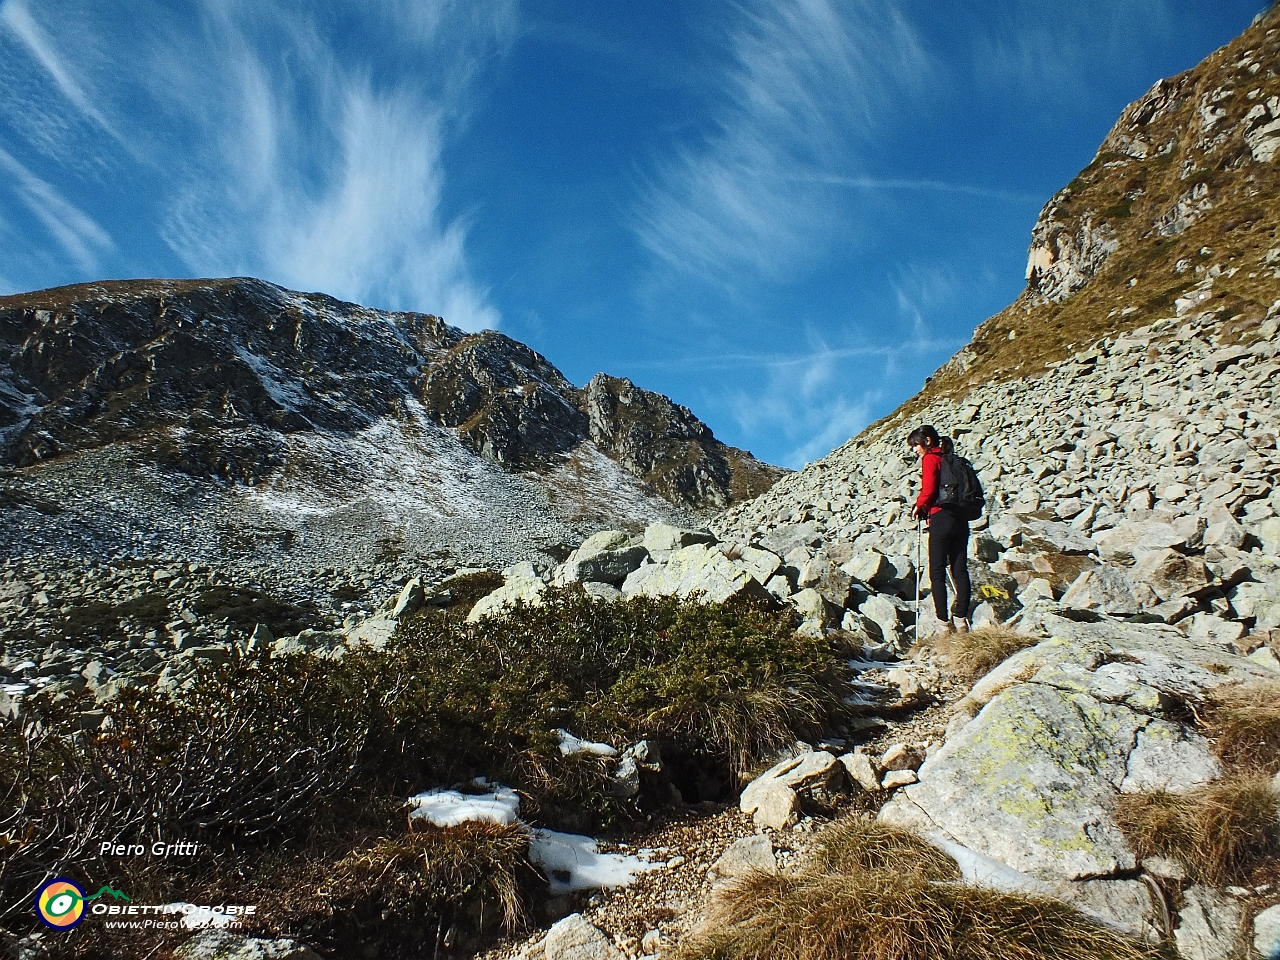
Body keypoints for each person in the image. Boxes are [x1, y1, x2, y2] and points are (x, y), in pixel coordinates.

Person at [907, 425, 971, 636]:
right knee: (960, 569)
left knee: (937, 572)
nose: (914, 450)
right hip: (961, 518)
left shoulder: (930, 459)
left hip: (941, 518)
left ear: (926, 440)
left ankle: (943, 624)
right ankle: (961, 619)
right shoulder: (949, 458)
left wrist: (919, 505)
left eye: (915, 445)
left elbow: (929, 489)